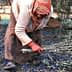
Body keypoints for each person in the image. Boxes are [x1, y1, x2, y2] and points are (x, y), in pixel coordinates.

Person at [3, 0, 53, 69]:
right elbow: (19, 30)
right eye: (37, 14)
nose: (38, 16)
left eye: (41, 16)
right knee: (12, 31)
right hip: (19, 6)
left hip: (32, 11)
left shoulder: (50, 11)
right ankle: (10, 60)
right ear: (34, 8)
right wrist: (32, 44)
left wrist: (33, 42)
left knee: (36, 32)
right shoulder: (25, 6)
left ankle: (33, 56)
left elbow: (40, 26)